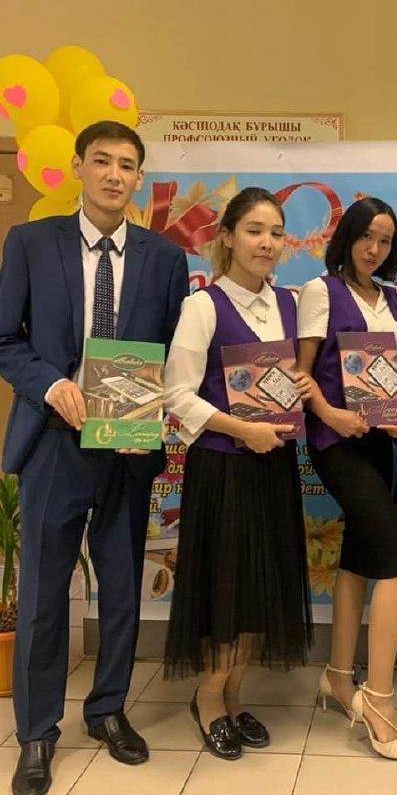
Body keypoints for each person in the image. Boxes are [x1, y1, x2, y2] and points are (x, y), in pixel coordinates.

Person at [0, 121, 189, 795]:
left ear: (140, 177)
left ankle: (108, 709)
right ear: (79, 166)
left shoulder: (165, 258)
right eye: (102, 161)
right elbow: (5, 339)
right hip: (55, 440)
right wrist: (51, 383)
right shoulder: (31, 243)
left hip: (128, 445)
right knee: (45, 594)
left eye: (127, 165)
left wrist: (163, 406)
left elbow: (176, 351)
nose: (114, 175)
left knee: (121, 587)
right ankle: (37, 732)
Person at [162, 187, 313, 759]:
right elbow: (178, 395)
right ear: (227, 237)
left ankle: (233, 694)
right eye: (254, 230)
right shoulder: (204, 306)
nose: (266, 243)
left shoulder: (290, 306)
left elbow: (294, 381)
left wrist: (302, 386)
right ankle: (208, 697)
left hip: (274, 467)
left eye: (275, 232)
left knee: (260, 587)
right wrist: (241, 429)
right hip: (224, 469)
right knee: (225, 588)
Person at [297, 196, 397, 762]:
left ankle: (338, 677)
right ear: (346, 237)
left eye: (385, 240)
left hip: (378, 441)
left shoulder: (393, 297)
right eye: (366, 236)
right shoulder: (321, 290)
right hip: (336, 442)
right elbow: (300, 376)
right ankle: (379, 700)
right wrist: (331, 414)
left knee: (359, 556)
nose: (374, 249)